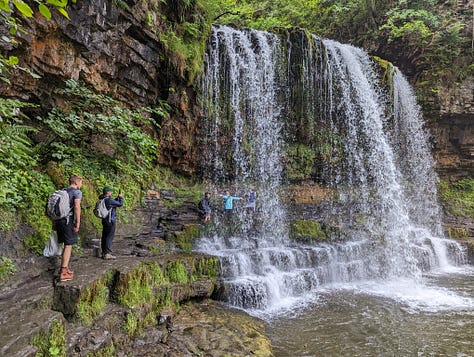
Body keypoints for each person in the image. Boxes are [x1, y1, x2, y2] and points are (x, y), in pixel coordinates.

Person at [56, 175, 83, 282]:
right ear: (77, 182)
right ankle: (63, 272)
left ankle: (65, 268)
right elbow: (76, 206)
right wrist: (78, 222)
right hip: (68, 221)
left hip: (59, 220)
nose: (81, 185)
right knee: (68, 245)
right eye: (81, 183)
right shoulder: (77, 192)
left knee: (65, 244)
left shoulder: (63, 191)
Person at [99, 187, 124, 260]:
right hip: (110, 220)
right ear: (108, 192)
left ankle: (104, 252)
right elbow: (120, 204)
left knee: (104, 236)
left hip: (105, 220)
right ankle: (107, 254)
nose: (111, 193)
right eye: (111, 192)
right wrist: (121, 198)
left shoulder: (102, 198)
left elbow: (112, 203)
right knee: (109, 237)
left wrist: (117, 198)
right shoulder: (109, 200)